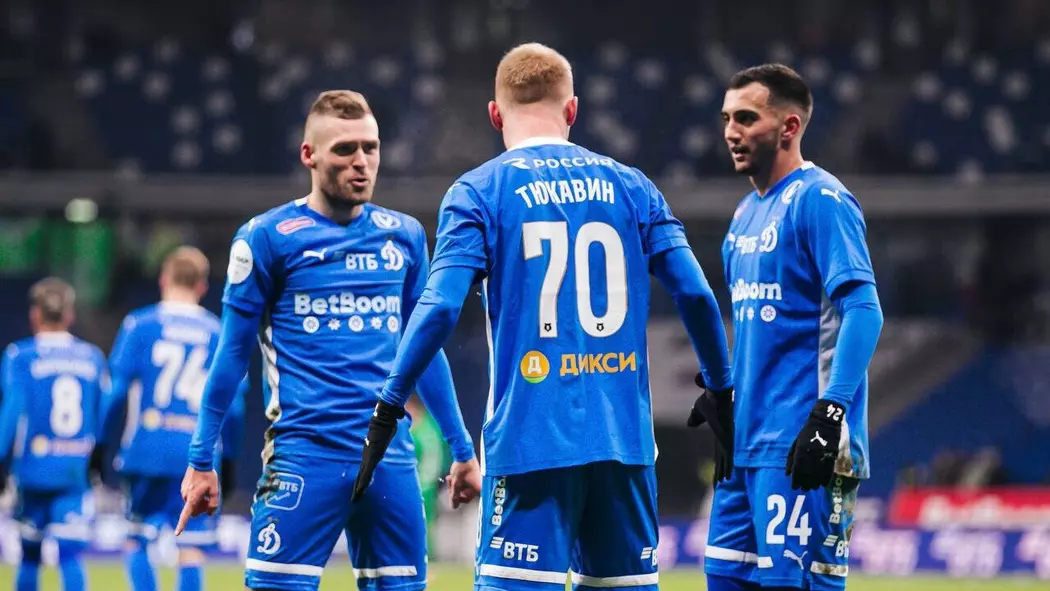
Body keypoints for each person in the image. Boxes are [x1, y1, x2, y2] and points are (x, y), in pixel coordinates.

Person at [353, 43, 734, 591]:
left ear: (495, 114)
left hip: (529, 446)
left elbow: (439, 307)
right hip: (623, 448)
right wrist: (721, 388)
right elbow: (696, 295)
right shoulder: (633, 187)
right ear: (573, 109)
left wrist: (389, 404)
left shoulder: (479, 191)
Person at [177, 89, 479, 591]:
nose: (361, 161)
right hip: (304, 455)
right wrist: (200, 459)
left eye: (370, 147)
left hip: (390, 459)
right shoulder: (266, 238)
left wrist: (462, 449)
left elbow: (425, 350)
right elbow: (230, 356)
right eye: (344, 149)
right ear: (309, 155)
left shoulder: (404, 237)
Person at [704, 63, 884, 591]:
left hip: (804, 444)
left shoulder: (821, 200)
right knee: (722, 580)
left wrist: (830, 415)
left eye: (745, 118)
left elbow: (864, 310)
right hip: (746, 449)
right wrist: (726, 398)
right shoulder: (743, 215)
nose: (731, 131)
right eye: (726, 118)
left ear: (789, 126)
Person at [98, 246, 246, 591]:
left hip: (146, 449)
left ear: (164, 279)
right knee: (191, 547)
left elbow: (116, 394)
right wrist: (230, 459)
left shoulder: (139, 324)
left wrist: (101, 444)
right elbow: (236, 406)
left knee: (137, 539)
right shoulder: (218, 332)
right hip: (198, 456)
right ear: (202, 286)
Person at [0, 278, 108, 591]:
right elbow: (103, 413)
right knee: (70, 556)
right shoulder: (92, 357)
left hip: (32, 470)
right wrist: (98, 458)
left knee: (30, 556)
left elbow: (12, 412)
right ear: (70, 315)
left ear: (35, 314)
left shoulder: (20, 355)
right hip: (75, 471)